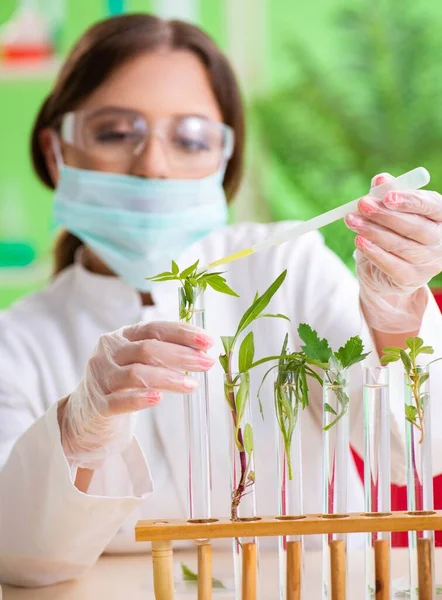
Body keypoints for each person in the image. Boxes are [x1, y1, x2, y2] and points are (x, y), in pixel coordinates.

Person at [1, 13, 442, 588]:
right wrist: (78, 429)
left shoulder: (285, 264)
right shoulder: (18, 340)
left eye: (189, 139)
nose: (154, 166)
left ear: (223, 161)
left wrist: (396, 316)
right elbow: (20, 557)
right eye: (114, 132)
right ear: (58, 152)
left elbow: (410, 454)